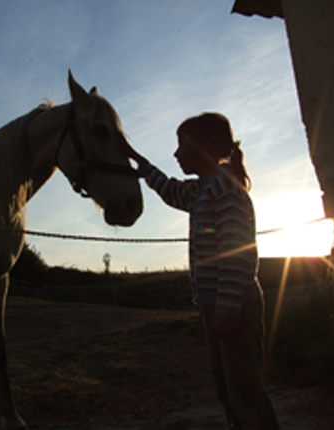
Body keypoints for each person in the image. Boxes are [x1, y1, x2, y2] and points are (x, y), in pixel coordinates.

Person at [120, 112, 279, 430]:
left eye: (181, 145)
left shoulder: (225, 189)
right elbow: (170, 190)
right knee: (228, 391)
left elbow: (236, 256)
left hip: (233, 307)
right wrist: (140, 162)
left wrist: (227, 310)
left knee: (244, 393)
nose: (176, 153)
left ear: (203, 146)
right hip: (217, 306)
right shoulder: (203, 188)